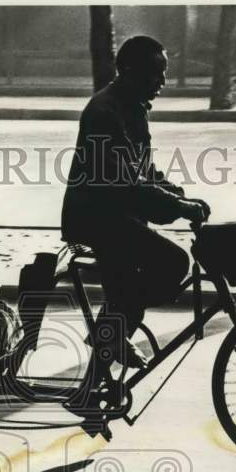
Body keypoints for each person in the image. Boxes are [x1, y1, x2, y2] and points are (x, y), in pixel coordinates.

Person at [61, 36, 208, 369]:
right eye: (156, 72)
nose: (163, 81)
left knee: (127, 298)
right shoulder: (104, 111)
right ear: (129, 71)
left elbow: (144, 170)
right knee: (172, 262)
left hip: (119, 216)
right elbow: (124, 180)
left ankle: (97, 380)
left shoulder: (132, 107)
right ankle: (108, 333)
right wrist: (178, 207)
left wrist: (180, 196)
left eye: (164, 72)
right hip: (97, 217)